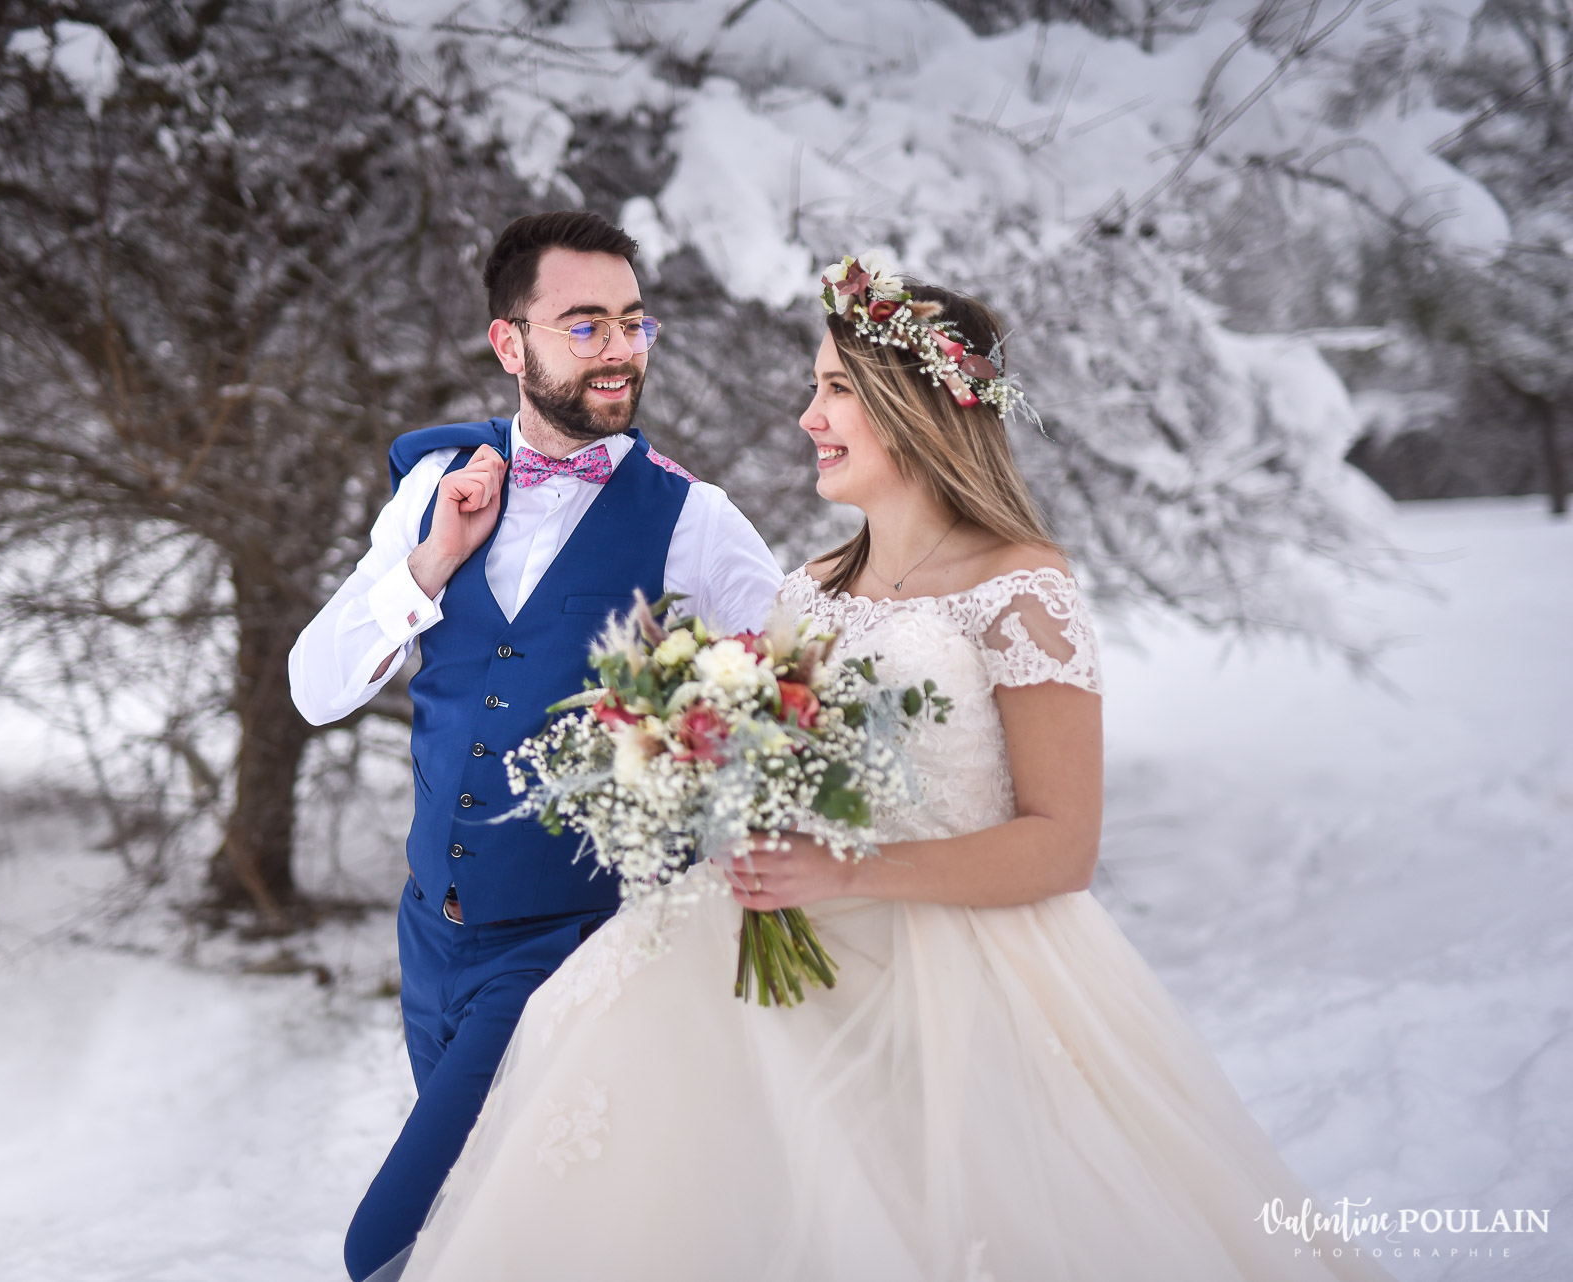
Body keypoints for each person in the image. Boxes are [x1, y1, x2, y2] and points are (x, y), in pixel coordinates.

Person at [386, 262, 1396, 1281]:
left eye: (835, 389)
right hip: (776, 948)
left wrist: (848, 874)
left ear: (914, 408)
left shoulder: (1022, 590)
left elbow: (1065, 842)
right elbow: (774, 756)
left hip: (961, 984)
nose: (805, 414)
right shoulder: (811, 585)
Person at [287, 210, 784, 1281]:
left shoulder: (696, 522)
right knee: (509, 1242)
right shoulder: (435, 489)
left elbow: (795, 699)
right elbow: (315, 688)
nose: (618, 350)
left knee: (393, 1245)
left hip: (571, 950)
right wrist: (427, 566)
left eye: (634, 324)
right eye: (586, 324)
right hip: (430, 942)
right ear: (510, 344)